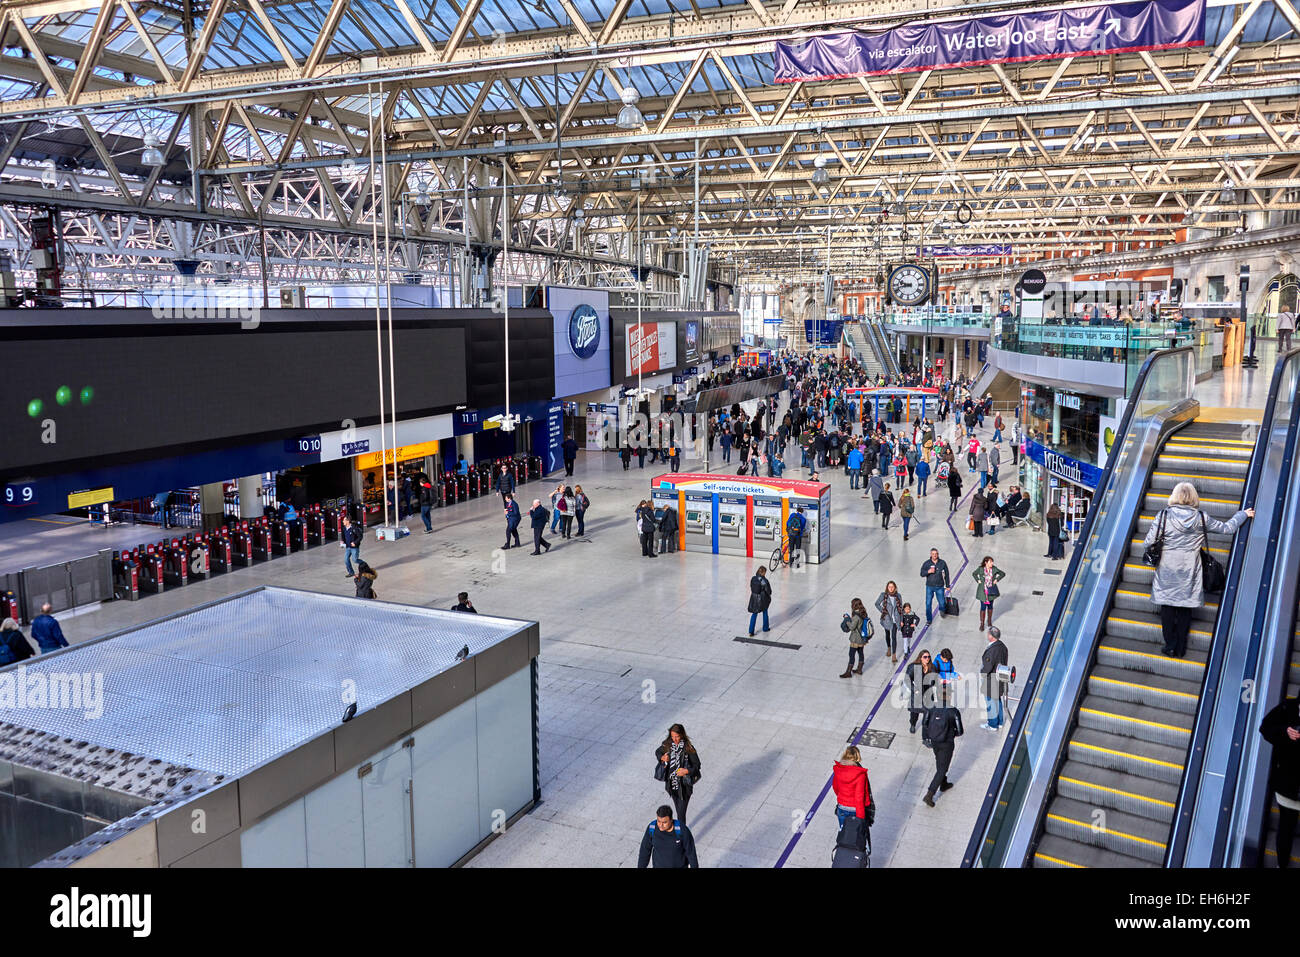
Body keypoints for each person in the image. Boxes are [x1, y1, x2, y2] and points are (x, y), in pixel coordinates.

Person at [1142, 481, 1253, 657]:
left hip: (1167, 568)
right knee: (1185, 608)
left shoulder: (1163, 516)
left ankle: (1170, 645)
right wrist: (1242, 514)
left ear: (1174, 496)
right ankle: (1181, 648)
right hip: (1190, 569)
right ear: (1194, 497)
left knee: (1168, 607)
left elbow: (1148, 542)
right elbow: (1227, 528)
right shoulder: (1202, 517)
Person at [1259, 695, 1300, 868]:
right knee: (1286, 828)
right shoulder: (1287, 708)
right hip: (1287, 784)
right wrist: (1284, 732)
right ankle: (1282, 865)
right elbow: (1265, 728)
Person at [921, 683, 964, 807]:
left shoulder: (931, 707)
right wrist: (951, 733)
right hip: (947, 743)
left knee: (940, 761)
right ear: (949, 696)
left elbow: (925, 723)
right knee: (942, 768)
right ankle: (929, 794)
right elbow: (960, 731)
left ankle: (943, 783)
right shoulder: (953, 711)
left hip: (935, 741)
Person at [655, 724, 702, 824]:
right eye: (672, 737)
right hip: (671, 785)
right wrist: (662, 757)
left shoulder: (688, 748)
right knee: (678, 811)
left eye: (677, 736)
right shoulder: (667, 744)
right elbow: (658, 752)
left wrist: (686, 771)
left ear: (682, 735)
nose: (674, 739)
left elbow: (697, 765)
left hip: (684, 787)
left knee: (681, 814)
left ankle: (681, 836)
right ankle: (681, 832)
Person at [831, 746, 874, 832]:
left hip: (842, 808)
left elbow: (835, 787)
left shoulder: (839, 769)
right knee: (856, 837)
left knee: (844, 834)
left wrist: (843, 797)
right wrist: (861, 818)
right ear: (857, 757)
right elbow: (859, 798)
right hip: (855, 810)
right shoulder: (860, 775)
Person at [980, 625, 1009, 731]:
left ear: (991, 636)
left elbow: (988, 666)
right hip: (999, 678)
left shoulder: (992, 650)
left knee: (991, 702)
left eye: (988, 633)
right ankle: (1000, 722)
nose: (987, 635)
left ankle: (992, 724)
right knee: (998, 700)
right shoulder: (1002, 646)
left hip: (991, 680)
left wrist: (982, 673)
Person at [971, 556, 1006, 632]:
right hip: (983, 592)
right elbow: (974, 574)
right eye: (990, 562)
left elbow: (1002, 573)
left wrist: (997, 579)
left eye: (992, 562)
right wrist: (978, 580)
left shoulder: (994, 569)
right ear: (986, 562)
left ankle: (989, 620)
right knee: (983, 607)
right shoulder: (980, 569)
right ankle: (982, 623)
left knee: (990, 606)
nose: (992, 563)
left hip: (991, 591)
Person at [906, 649, 936, 733]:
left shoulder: (932, 667)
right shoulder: (913, 667)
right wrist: (914, 690)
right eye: (925, 657)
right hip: (917, 694)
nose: (927, 659)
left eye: (928, 657)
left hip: (928, 694)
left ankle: (926, 731)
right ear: (920, 658)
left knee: (928, 713)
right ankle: (913, 724)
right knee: (914, 713)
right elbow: (907, 679)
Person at [875, 581, 904, 664]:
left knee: (894, 637)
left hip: (896, 620)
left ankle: (894, 655)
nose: (891, 588)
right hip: (887, 619)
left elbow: (901, 609)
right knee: (887, 634)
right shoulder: (883, 595)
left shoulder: (898, 596)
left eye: (892, 587)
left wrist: (901, 620)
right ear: (887, 587)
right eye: (889, 587)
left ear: (895, 587)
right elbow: (877, 604)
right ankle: (889, 647)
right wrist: (884, 611)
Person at [920, 548, 951, 624]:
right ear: (930, 554)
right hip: (929, 587)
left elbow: (946, 574)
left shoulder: (942, 563)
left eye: (936, 554)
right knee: (928, 603)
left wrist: (947, 585)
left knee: (942, 602)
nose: (934, 555)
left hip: (939, 587)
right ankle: (929, 619)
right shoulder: (927, 563)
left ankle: (942, 610)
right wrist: (928, 571)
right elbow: (922, 573)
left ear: (938, 554)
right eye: (933, 554)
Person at [841, 597, 870, 678]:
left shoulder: (856, 616)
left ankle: (848, 672)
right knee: (861, 653)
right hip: (862, 638)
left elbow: (852, 627)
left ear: (854, 605)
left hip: (855, 639)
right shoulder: (863, 612)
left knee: (851, 654)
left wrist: (847, 619)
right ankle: (859, 669)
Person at [747, 565, 772, 636]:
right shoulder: (764, 581)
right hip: (763, 599)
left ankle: (751, 631)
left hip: (754, 599)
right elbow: (769, 591)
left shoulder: (753, 578)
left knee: (754, 614)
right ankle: (765, 628)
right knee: (765, 613)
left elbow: (751, 587)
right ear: (763, 572)